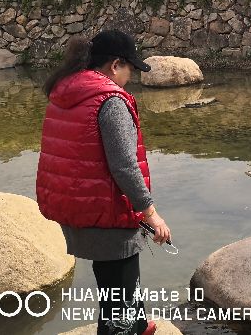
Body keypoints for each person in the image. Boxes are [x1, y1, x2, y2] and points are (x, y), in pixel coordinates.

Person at [36, 30, 169, 335]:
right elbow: (124, 166)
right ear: (114, 65)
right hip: (107, 211)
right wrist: (150, 213)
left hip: (82, 207)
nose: (131, 76)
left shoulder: (67, 91)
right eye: (130, 69)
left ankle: (138, 322)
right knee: (117, 299)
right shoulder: (109, 101)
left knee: (113, 279)